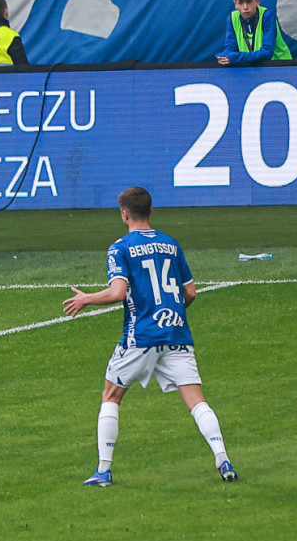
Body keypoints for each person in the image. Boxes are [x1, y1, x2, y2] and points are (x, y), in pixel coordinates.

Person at [64, 185, 237, 485]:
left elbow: (118, 292)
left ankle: (103, 471)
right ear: (151, 210)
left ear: (124, 214)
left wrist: (86, 299)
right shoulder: (171, 244)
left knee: (111, 395)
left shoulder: (119, 248)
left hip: (141, 336)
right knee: (196, 400)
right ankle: (223, 459)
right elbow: (191, 293)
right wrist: (170, 312)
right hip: (176, 333)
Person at [216, 0, 291, 65]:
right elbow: (230, 48)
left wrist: (236, 57)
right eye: (240, 3)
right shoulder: (232, 18)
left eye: (249, 2)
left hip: (280, 65)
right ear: (235, 4)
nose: (245, 7)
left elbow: (267, 52)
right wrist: (225, 56)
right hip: (251, 66)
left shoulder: (267, 15)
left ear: (257, 1)